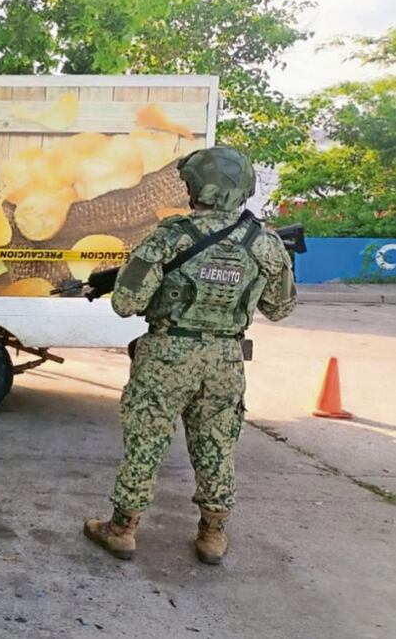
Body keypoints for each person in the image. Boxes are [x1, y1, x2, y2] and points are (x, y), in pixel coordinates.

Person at [83, 146, 297, 564]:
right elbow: (280, 308)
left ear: (195, 187)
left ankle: (122, 530)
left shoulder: (169, 237)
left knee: (146, 440)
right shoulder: (265, 243)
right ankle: (212, 535)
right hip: (225, 358)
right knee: (217, 443)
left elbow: (126, 303)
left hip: (166, 355)